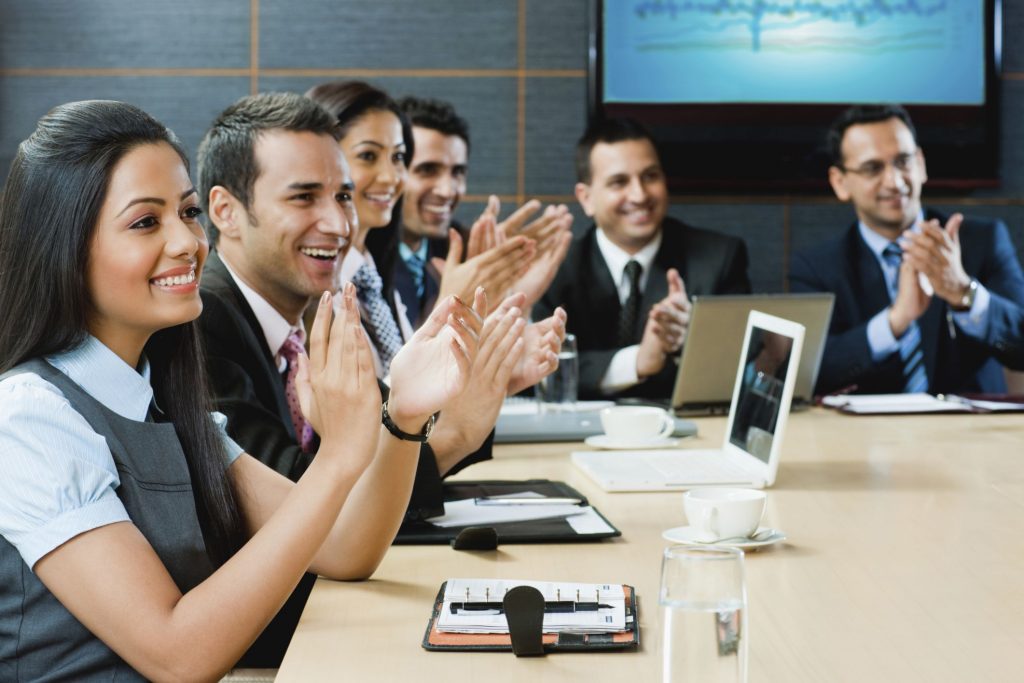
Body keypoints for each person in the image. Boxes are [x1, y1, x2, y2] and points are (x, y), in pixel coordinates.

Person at [0, 100, 480, 680]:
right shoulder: (31, 417)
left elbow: (346, 548)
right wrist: (337, 460)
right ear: (64, 248)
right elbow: (179, 656)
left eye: (188, 212)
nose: (188, 241)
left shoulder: (163, 404)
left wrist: (402, 414)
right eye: (146, 222)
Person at [789, 104, 1024, 395]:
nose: (895, 181)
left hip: (969, 421)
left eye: (903, 161)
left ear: (921, 164)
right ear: (840, 182)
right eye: (872, 168)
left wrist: (964, 292)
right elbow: (811, 371)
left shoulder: (981, 241)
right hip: (868, 424)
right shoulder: (816, 268)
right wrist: (895, 320)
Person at [536, 117, 751, 400]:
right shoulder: (555, 269)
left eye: (650, 176)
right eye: (619, 182)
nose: (639, 195)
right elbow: (537, 368)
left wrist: (693, 340)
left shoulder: (719, 258)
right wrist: (637, 362)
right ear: (586, 198)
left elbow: (740, 363)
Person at [372, 95, 573, 328]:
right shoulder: (361, 258)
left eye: (457, 172)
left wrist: (512, 303)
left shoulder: (472, 253)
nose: (448, 190)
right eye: (427, 170)